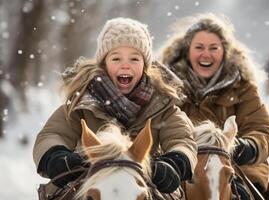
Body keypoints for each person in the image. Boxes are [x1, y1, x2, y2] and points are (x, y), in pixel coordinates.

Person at [33, 17, 197, 197]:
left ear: (145, 66)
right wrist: (56, 156)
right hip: (89, 175)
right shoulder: (82, 104)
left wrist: (174, 162)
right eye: (116, 58)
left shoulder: (164, 106)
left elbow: (183, 140)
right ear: (104, 64)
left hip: (147, 179)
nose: (125, 65)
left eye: (134, 59)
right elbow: (52, 134)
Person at [159, 13, 269, 199]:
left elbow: (261, 129)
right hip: (182, 168)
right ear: (187, 51)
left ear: (224, 51)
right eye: (199, 47)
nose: (206, 54)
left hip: (237, 170)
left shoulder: (243, 87)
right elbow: (155, 126)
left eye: (213, 48)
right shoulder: (165, 87)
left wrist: (246, 147)